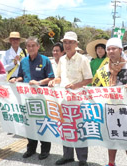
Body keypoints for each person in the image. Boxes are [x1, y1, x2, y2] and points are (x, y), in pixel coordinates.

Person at [48, 31, 92, 166]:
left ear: (76, 44)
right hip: (64, 101)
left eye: (70, 42)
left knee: (79, 129)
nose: (67, 45)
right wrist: (54, 81)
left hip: (78, 101)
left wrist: (76, 85)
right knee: (66, 128)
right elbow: (59, 77)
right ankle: (67, 156)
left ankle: (82, 159)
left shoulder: (83, 59)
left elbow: (89, 79)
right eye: (65, 42)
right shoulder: (61, 59)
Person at [94, 38, 127, 166]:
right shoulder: (104, 69)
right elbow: (98, 88)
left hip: (124, 109)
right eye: (108, 49)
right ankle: (111, 163)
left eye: (113, 48)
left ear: (120, 50)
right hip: (108, 108)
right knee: (111, 137)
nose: (110, 51)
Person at [9, 36, 54, 160]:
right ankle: (31, 148)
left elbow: (51, 78)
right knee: (30, 124)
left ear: (38, 47)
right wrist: (15, 79)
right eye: (28, 46)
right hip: (27, 98)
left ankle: (45, 150)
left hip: (42, 98)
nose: (31, 48)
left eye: (33, 45)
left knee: (43, 123)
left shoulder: (45, 60)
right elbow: (21, 77)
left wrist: (39, 82)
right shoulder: (23, 61)